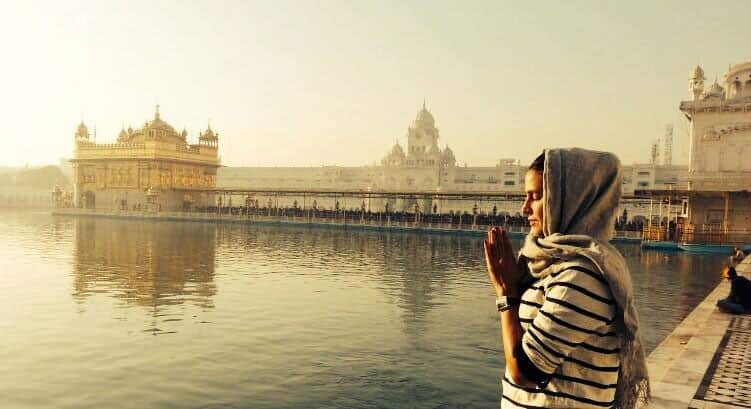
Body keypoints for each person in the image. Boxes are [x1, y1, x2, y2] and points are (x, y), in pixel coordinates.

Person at [483, 148, 650, 409]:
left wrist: (506, 294)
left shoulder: (582, 275)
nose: (525, 208)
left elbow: (525, 373)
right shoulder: (552, 265)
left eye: (536, 196)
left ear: (570, 199)